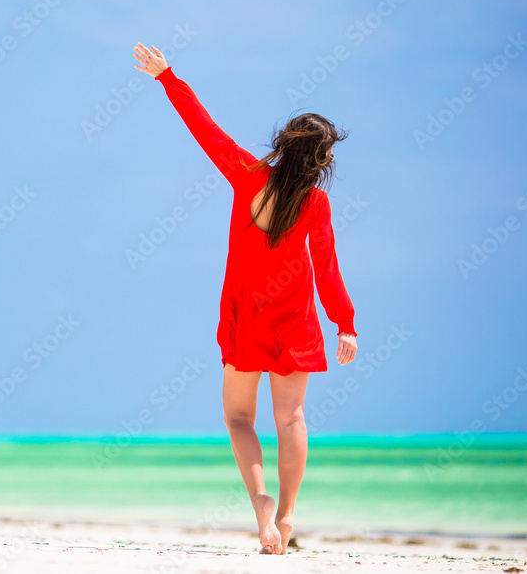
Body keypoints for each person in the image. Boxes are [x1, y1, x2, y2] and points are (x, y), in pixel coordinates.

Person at [133, 43, 359, 555]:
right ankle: (287, 515)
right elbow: (327, 267)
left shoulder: (246, 173)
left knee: (238, 418)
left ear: (283, 143)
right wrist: (344, 324)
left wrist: (167, 77)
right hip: (295, 321)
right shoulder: (316, 203)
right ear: (321, 160)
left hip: (246, 318)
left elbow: (204, 129)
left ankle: (260, 502)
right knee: (292, 419)